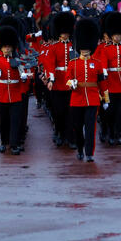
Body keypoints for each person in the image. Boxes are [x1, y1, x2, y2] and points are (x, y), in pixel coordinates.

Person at [67, 18, 108, 162]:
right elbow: (68, 79)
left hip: (92, 99)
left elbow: (102, 83)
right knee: (78, 127)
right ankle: (80, 148)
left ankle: (89, 152)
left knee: (91, 128)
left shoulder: (96, 64)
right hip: (76, 99)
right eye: (83, 49)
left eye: (87, 48)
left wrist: (106, 100)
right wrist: (72, 83)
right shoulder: (73, 64)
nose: (85, 51)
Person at [96, 12, 121, 149]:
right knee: (112, 112)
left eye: (120, 34)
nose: (118, 36)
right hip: (112, 84)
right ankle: (113, 134)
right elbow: (103, 66)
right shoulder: (106, 49)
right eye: (116, 34)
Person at [0, 24, 28, 154]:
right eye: (5, 47)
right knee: (3, 120)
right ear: (1, 47)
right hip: (2, 93)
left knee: (15, 119)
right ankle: (3, 140)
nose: (7, 49)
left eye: (8, 46)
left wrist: (24, 76)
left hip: (15, 92)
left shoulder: (17, 59)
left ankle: (14, 143)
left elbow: (24, 72)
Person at [41, 11, 75, 147]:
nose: (65, 34)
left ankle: (70, 137)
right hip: (58, 82)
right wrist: (51, 79)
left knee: (71, 111)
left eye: (67, 31)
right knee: (59, 111)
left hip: (71, 82)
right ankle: (60, 133)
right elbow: (50, 65)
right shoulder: (54, 47)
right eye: (63, 31)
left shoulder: (74, 46)